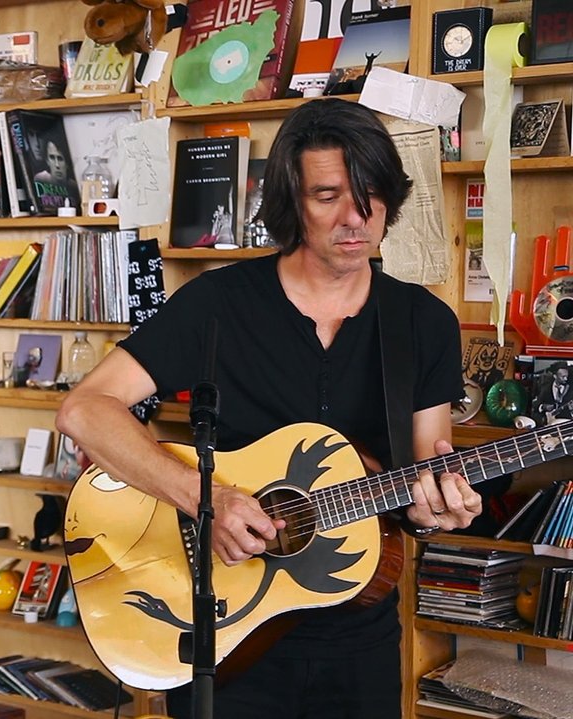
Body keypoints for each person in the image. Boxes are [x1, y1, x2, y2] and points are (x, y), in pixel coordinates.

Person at [55, 98, 482, 718]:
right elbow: (85, 410)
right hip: (223, 626)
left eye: (370, 195)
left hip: (357, 635)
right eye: (328, 195)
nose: (354, 217)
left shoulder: (423, 323)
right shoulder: (218, 305)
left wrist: (441, 505)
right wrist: (207, 499)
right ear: (291, 202)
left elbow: (424, 470)